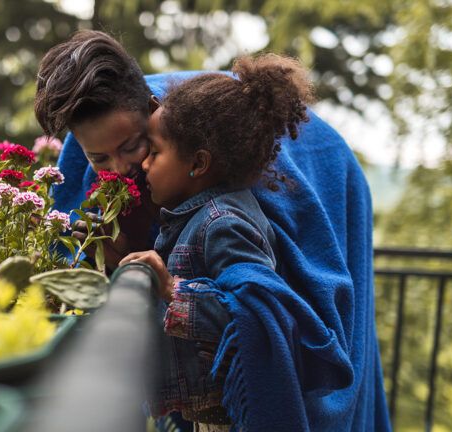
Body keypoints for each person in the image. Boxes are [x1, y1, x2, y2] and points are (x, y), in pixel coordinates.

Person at [35, 30, 391, 431]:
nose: (118, 167)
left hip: (322, 161)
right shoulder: (84, 158)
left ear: (154, 112)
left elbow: (278, 304)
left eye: (135, 146)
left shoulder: (229, 191)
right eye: (99, 157)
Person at [117, 53, 314, 430]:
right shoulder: (196, 216)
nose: (143, 164)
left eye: (155, 152)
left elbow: (255, 311)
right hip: (194, 413)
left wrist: (171, 288)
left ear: (198, 163)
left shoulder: (223, 222)